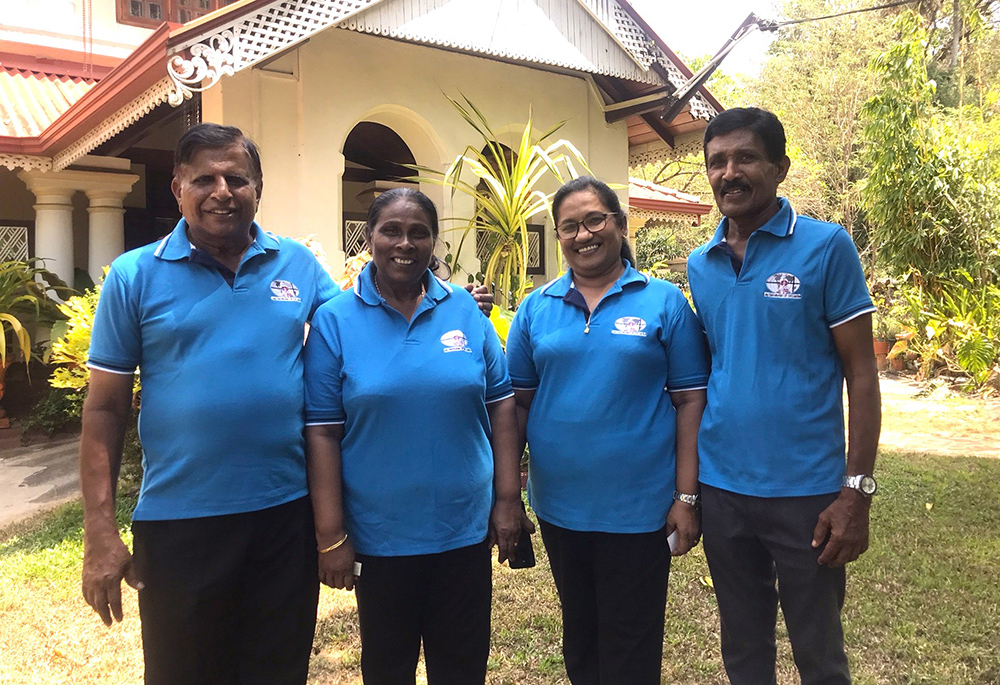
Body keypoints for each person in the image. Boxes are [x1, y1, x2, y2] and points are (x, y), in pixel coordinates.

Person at [79, 124, 494, 684]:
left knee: (277, 670)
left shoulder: (296, 265)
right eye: (204, 178)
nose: (222, 191)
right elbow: (104, 411)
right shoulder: (134, 276)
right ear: (178, 187)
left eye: (237, 178)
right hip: (181, 520)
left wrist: (443, 301)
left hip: (285, 517)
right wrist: (99, 530)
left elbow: (363, 318)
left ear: (258, 188)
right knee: (184, 672)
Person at [686, 107, 881, 685]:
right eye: (717, 161)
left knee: (817, 650)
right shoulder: (701, 263)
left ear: (780, 167)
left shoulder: (825, 247)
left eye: (745, 157)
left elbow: (862, 374)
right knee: (743, 649)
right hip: (723, 490)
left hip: (808, 495)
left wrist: (856, 492)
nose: (729, 172)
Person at [303, 187, 527, 684]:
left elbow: (503, 407)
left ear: (434, 242)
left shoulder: (465, 311)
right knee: (388, 669)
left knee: (463, 667)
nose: (405, 243)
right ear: (370, 238)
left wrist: (508, 501)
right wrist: (330, 534)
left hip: (463, 531)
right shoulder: (334, 322)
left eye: (419, 232)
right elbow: (321, 432)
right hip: (380, 537)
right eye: (391, 231)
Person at [505, 176, 710, 684]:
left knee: (632, 640)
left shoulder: (663, 302)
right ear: (557, 236)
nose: (584, 234)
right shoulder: (536, 308)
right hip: (560, 507)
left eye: (595, 219)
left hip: (639, 508)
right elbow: (518, 407)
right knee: (581, 634)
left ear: (618, 224)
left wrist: (687, 497)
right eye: (569, 226)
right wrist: (508, 495)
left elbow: (690, 401)